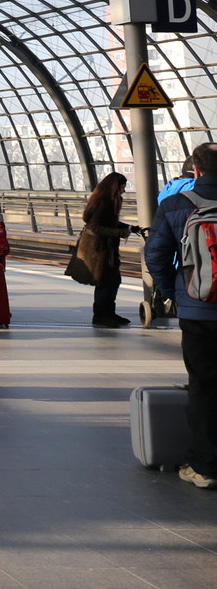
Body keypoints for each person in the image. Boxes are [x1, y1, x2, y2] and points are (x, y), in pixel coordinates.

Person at [145, 143, 217, 490]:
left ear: (197, 171)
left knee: (203, 386)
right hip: (197, 308)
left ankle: (205, 466)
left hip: (198, 309)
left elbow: (156, 256)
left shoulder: (176, 204)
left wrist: (176, 296)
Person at [80, 172, 137, 327]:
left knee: (113, 280)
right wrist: (122, 232)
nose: (124, 191)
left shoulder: (110, 201)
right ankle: (100, 315)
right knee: (104, 281)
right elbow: (95, 226)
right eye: (122, 188)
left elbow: (111, 222)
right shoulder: (103, 203)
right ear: (114, 187)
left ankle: (109, 313)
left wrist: (131, 228)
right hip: (100, 249)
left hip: (107, 248)